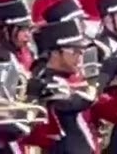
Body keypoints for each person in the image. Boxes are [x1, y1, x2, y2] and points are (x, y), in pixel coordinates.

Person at [29, 20, 96, 152]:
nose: (80, 57)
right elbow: (77, 102)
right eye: (75, 51)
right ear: (55, 52)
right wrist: (101, 79)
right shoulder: (47, 81)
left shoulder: (64, 77)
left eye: (82, 51)